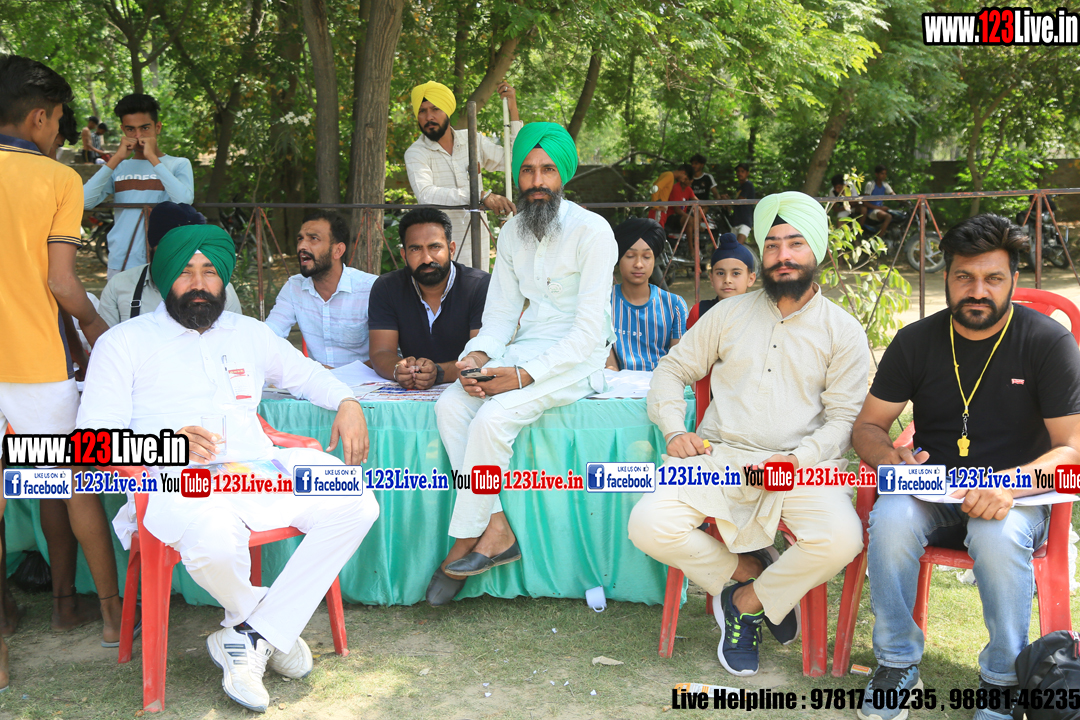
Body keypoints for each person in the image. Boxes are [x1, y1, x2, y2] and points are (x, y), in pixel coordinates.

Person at [77, 224, 380, 713]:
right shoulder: (124, 343)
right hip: (170, 482)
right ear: (165, 277)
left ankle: (251, 635)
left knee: (356, 501)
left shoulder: (249, 333)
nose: (199, 284)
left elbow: (306, 376)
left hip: (258, 472)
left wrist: (347, 401)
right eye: (186, 272)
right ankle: (264, 629)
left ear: (224, 279)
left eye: (210, 272)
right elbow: (90, 442)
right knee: (216, 538)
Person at [628, 191, 869, 677]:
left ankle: (746, 602)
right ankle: (750, 571)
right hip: (720, 458)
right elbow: (672, 370)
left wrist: (795, 462)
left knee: (842, 539)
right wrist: (674, 430)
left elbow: (845, 420)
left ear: (817, 251)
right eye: (772, 244)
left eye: (795, 243)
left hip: (800, 467)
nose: (783, 255)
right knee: (648, 524)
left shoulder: (842, 331)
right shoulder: (729, 314)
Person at [850, 213, 1080, 720]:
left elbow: (1072, 447)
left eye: (993, 278)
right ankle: (896, 663)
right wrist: (891, 456)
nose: (978, 291)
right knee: (890, 517)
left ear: (1013, 279)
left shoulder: (1047, 342)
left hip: (1016, 499)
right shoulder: (916, 341)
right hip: (932, 492)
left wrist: (1010, 487)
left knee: (997, 534)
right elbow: (867, 426)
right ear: (946, 277)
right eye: (964, 277)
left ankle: (1001, 680)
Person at [427, 122, 617, 605]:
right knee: (450, 406)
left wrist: (521, 376)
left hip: (580, 357)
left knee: (492, 418)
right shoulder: (512, 231)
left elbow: (589, 333)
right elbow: (500, 316)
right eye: (528, 170)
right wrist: (476, 357)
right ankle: (495, 527)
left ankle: (466, 540)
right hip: (527, 346)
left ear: (563, 175)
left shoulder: (594, 232)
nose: (536, 181)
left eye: (547, 170)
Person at [0, 54, 120, 671]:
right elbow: (62, 282)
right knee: (73, 483)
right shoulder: (57, 179)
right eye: (58, 123)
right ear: (40, 118)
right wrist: (98, 329)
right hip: (34, 362)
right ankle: (105, 614)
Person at [404, 80, 520, 271]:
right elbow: (426, 194)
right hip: (439, 245)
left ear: (447, 110)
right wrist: (479, 195)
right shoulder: (416, 152)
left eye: (435, 109)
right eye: (422, 111)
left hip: (477, 241)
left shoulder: (471, 139)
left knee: (477, 288)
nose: (429, 116)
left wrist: (512, 110)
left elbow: (513, 160)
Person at [368, 207, 490, 389]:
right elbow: (381, 351)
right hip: (410, 389)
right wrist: (398, 370)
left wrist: (438, 372)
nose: (426, 259)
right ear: (404, 256)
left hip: (466, 387)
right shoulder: (387, 287)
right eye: (415, 249)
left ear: (451, 249)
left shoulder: (479, 286)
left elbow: (482, 355)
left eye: (435, 247)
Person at [83, 93, 195, 279]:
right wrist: (116, 158)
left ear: (157, 127)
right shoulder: (119, 167)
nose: (138, 136)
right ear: (123, 130)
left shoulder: (178, 164)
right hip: (121, 261)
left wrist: (152, 157)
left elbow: (184, 200)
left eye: (145, 128)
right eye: (130, 129)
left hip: (164, 261)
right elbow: (85, 201)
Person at [98, 201, 243, 326]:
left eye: (189, 249)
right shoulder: (120, 285)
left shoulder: (222, 289)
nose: (179, 259)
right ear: (153, 246)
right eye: (172, 249)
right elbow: (105, 340)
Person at [264, 210, 378, 368]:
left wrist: (338, 374)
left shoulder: (371, 289)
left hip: (366, 380)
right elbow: (269, 336)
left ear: (338, 251)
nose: (302, 246)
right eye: (300, 239)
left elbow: (390, 355)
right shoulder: (294, 287)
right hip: (317, 381)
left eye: (313, 239)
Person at [607, 217, 687, 371]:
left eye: (646, 257)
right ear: (618, 258)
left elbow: (678, 363)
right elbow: (608, 364)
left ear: (654, 260)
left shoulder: (674, 305)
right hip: (615, 382)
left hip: (663, 381)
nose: (638, 264)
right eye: (630, 256)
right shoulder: (603, 303)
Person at [690, 232, 757, 318]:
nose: (727, 280)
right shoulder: (700, 312)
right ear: (711, 278)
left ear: (750, 279)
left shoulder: (760, 312)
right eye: (720, 273)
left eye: (736, 273)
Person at [648, 164, 695, 236]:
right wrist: (656, 206)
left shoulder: (668, 175)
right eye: (685, 178)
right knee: (656, 234)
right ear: (683, 172)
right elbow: (655, 188)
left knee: (657, 233)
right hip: (658, 211)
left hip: (660, 210)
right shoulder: (669, 175)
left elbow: (655, 186)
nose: (683, 180)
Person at [721, 163, 756, 245]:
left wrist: (728, 200)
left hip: (745, 221)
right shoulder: (739, 187)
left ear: (747, 173)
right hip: (736, 221)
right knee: (732, 246)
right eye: (738, 171)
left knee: (737, 246)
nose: (740, 173)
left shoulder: (748, 185)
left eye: (742, 171)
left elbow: (740, 201)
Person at [861, 164, 895, 237]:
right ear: (876, 174)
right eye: (882, 173)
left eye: (885, 174)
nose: (884, 176)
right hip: (872, 211)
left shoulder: (885, 185)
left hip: (879, 209)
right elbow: (865, 202)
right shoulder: (871, 184)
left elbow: (894, 196)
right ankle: (878, 239)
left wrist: (906, 200)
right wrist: (880, 208)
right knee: (888, 217)